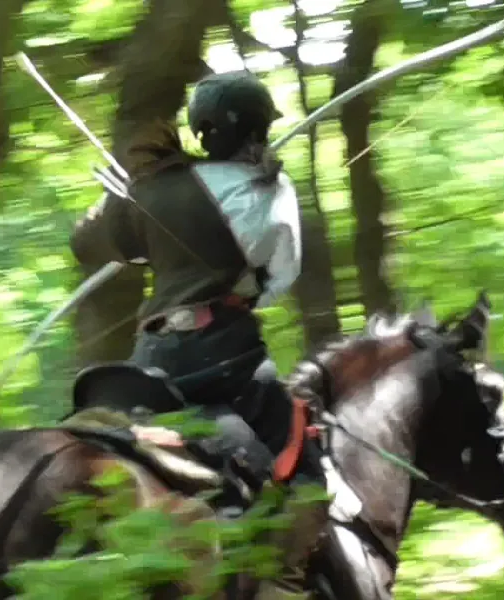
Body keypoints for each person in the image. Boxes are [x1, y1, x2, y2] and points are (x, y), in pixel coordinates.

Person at [70, 71, 329, 597]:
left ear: (202, 129)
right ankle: (280, 586)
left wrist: (112, 204)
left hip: (149, 361)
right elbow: (281, 278)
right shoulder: (271, 187)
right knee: (304, 472)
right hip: (226, 360)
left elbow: (85, 244)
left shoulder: (150, 188)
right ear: (254, 129)